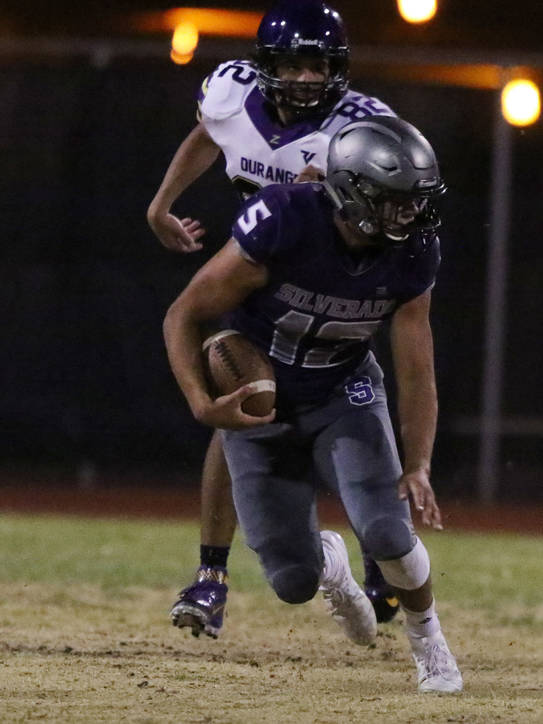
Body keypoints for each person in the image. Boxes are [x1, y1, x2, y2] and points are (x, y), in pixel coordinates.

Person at [162, 115, 463, 693]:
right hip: (261, 402)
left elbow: (416, 370)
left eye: (416, 202)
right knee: (292, 580)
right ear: (352, 192)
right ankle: (328, 563)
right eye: (396, 202)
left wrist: (419, 461)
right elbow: (183, 313)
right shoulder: (285, 221)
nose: (411, 216)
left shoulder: (413, 253)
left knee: (388, 533)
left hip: (342, 391)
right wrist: (203, 403)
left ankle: (429, 640)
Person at [147, 0, 401, 639]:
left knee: (344, 416)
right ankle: (211, 578)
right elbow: (210, 134)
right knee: (243, 405)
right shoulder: (231, 95)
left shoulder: (361, 128)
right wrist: (162, 204)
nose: (308, 78)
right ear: (267, 66)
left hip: (331, 289)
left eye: (320, 66)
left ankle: (377, 550)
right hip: (260, 283)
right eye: (294, 64)